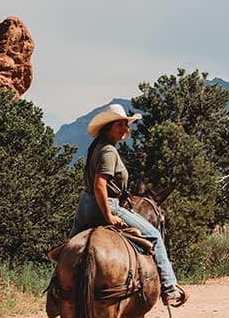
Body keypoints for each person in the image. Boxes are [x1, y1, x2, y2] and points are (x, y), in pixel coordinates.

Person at [71, 103, 185, 304]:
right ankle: (169, 287)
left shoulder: (96, 147)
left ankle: (57, 292)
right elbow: (100, 184)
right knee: (155, 236)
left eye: (126, 125)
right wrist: (109, 216)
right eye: (120, 125)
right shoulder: (109, 151)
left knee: (68, 250)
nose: (125, 129)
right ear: (108, 127)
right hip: (105, 205)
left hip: (84, 207)